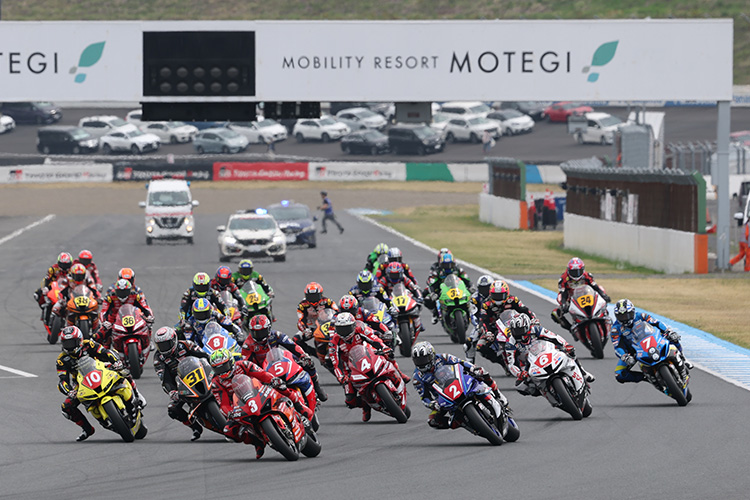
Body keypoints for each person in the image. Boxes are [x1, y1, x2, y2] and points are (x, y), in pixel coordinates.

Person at [209, 348, 313, 459]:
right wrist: (230, 412)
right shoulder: (216, 383)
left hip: (259, 391)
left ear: (231, 362)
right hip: (240, 405)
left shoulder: (243, 365)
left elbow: (262, 374)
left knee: (281, 387)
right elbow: (223, 404)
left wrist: (272, 380)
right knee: (229, 432)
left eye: (224, 367)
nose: (222, 372)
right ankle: (257, 441)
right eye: (217, 369)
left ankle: (299, 406)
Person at [57, 326, 145, 441]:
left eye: (72, 343)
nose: (70, 346)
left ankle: (137, 394)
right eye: (67, 343)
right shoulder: (62, 360)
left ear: (79, 340)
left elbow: (105, 352)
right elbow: (62, 380)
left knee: (123, 371)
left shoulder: (88, 344)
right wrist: (69, 391)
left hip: (102, 369)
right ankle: (87, 429)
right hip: (81, 382)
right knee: (66, 407)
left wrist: (116, 362)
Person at [411, 341, 507, 429]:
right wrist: (432, 404)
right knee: (432, 421)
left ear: (432, 355)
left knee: (482, 373)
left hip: (460, 382)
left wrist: (472, 368)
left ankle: (498, 394)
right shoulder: (417, 378)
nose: (422, 363)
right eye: (418, 360)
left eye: (424, 359)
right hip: (443, 399)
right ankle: (462, 422)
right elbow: (424, 397)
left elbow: (461, 362)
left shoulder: (443, 357)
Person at [241, 314, 328, 404]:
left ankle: (317, 387)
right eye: (255, 333)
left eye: (262, 332)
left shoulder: (276, 335)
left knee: (308, 362)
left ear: (268, 329)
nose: (259, 336)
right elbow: (246, 364)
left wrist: (303, 356)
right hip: (262, 370)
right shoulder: (247, 345)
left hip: (278, 360)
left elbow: (292, 345)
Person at [504, 314, 595, 397]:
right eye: (515, 331)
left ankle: (583, 372)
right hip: (529, 364)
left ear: (527, 327)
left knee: (570, 352)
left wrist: (565, 345)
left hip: (547, 352)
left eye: (520, 330)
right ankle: (544, 391)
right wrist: (519, 373)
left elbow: (554, 336)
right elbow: (511, 363)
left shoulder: (536, 329)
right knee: (520, 387)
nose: (518, 333)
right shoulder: (510, 343)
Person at [328, 312, 394, 422]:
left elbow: (374, 339)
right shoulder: (334, 341)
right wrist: (341, 377)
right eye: (341, 329)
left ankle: (398, 375)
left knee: (388, 356)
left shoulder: (360, 329)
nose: (344, 332)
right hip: (351, 368)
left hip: (369, 356)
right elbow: (335, 362)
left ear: (353, 326)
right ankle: (365, 405)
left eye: (347, 328)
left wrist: (384, 347)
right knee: (350, 401)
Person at [611, 299, 693, 383]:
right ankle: (647, 377)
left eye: (627, 315)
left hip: (651, 339)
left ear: (633, 312)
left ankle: (683, 358)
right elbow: (617, 347)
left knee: (673, 338)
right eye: (621, 317)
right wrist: (625, 356)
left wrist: (668, 331)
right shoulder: (615, 329)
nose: (625, 319)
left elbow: (657, 323)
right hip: (633, 351)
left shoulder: (642, 316)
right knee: (619, 374)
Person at [152, 326, 210, 441]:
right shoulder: (158, 358)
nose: (164, 348)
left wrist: (213, 365)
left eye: (166, 344)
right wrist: (172, 392)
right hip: (182, 385)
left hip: (201, 374)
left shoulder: (186, 345)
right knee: (172, 409)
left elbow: (205, 356)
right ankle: (195, 427)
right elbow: (165, 379)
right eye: (161, 345)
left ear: (174, 340)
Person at [476, 280, 538, 365]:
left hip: (513, 324)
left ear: (507, 294)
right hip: (494, 328)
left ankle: (537, 350)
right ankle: (500, 361)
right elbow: (483, 320)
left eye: (500, 295)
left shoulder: (513, 300)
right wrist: (488, 332)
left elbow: (525, 310)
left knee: (533, 332)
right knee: (480, 346)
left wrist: (533, 319)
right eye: (495, 295)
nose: (498, 298)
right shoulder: (486, 304)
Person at [550, 257, 610, 336]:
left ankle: (605, 315)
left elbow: (595, 287)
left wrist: (604, 295)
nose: (576, 274)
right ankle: (571, 329)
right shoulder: (563, 278)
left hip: (587, 295)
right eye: (574, 272)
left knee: (602, 291)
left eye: (579, 271)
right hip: (571, 298)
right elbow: (563, 293)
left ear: (583, 270)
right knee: (555, 313)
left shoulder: (587, 275)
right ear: (568, 271)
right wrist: (564, 304)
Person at [96, 278, 154, 348]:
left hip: (132, 317)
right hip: (114, 320)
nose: (122, 294)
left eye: (125, 292)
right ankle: (104, 351)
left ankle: (149, 341)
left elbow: (145, 307)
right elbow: (104, 311)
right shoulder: (110, 298)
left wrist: (149, 316)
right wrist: (104, 322)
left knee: (147, 325)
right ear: (115, 291)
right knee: (105, 334)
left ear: (129, 290)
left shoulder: (135, 295)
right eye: (120, 292)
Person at [423, 252, 472, 324]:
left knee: (473, 295)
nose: (448, 267)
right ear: (441, 265)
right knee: (426, 298)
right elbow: (431, 283)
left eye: (450, 264)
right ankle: (435, 313)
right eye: (445, 265)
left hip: (458, 289)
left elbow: (467, 280)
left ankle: (472, 311)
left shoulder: (458, 270)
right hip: (442, 290)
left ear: (454, 264)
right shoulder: (437, 272)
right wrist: (433, 293)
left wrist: (471, 287)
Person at [379, 262, 425, 334]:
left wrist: (419, 297)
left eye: (396, 275)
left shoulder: (404, 278)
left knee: (418, 304)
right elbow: (379, 290)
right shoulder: (384, 280)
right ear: (388, 274)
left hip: (404, 297)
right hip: (389, 300)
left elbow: (414, 288)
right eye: (392, 275)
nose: (394, 277)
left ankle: (418, 320)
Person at [176, 298, 242, 346]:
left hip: (222, 340)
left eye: (204, 313)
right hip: (204, 347)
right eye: (199, 314)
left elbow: (229, 324)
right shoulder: (190, 322)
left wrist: (238, 333)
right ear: (193, 313)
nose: (202, 316)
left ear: (210, 311)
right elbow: (189, 339)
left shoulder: (215, 315)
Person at [465, 274, 495, 362]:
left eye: (487, 288)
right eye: (482, 288)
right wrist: (478, 325)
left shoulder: (497, 295)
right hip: (482, 324)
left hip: (499, 322)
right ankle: (470, 366)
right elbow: (472, 314)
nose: (485, 291)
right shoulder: (475, 298)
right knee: (468, 344)